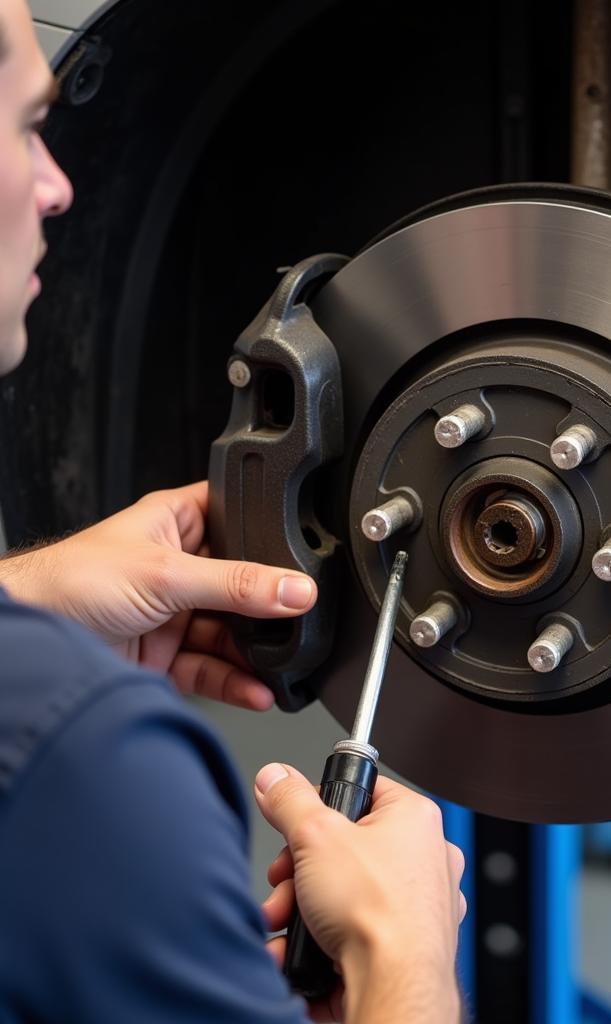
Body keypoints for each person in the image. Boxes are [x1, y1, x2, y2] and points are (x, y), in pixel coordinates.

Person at [0, 1, 465, 1021]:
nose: (57, 181)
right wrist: (403, 955)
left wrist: (21, 603)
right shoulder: (86, 774)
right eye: (28, 126)